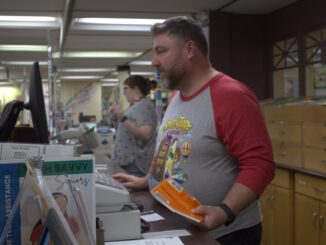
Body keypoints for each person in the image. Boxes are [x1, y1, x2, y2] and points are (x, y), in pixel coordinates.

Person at [113, 16, 275, 244]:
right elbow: (168, 148)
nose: (154, 62)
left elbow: (260, 164)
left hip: (224, 234)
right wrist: (148, 180)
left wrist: (224, 211)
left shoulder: (231, 95)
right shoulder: (177, 97)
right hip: (180, 224)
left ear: (189, 49)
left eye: (161, 51)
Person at [109, 75, 158, 177]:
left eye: (126, 88)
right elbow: (124, 129)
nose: (124, 93)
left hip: (135, 163)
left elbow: (145, 134)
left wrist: (122, 117)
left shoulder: (144, 105)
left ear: (135, 89)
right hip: (127, 162)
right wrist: (115, 117)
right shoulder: (135, 106)